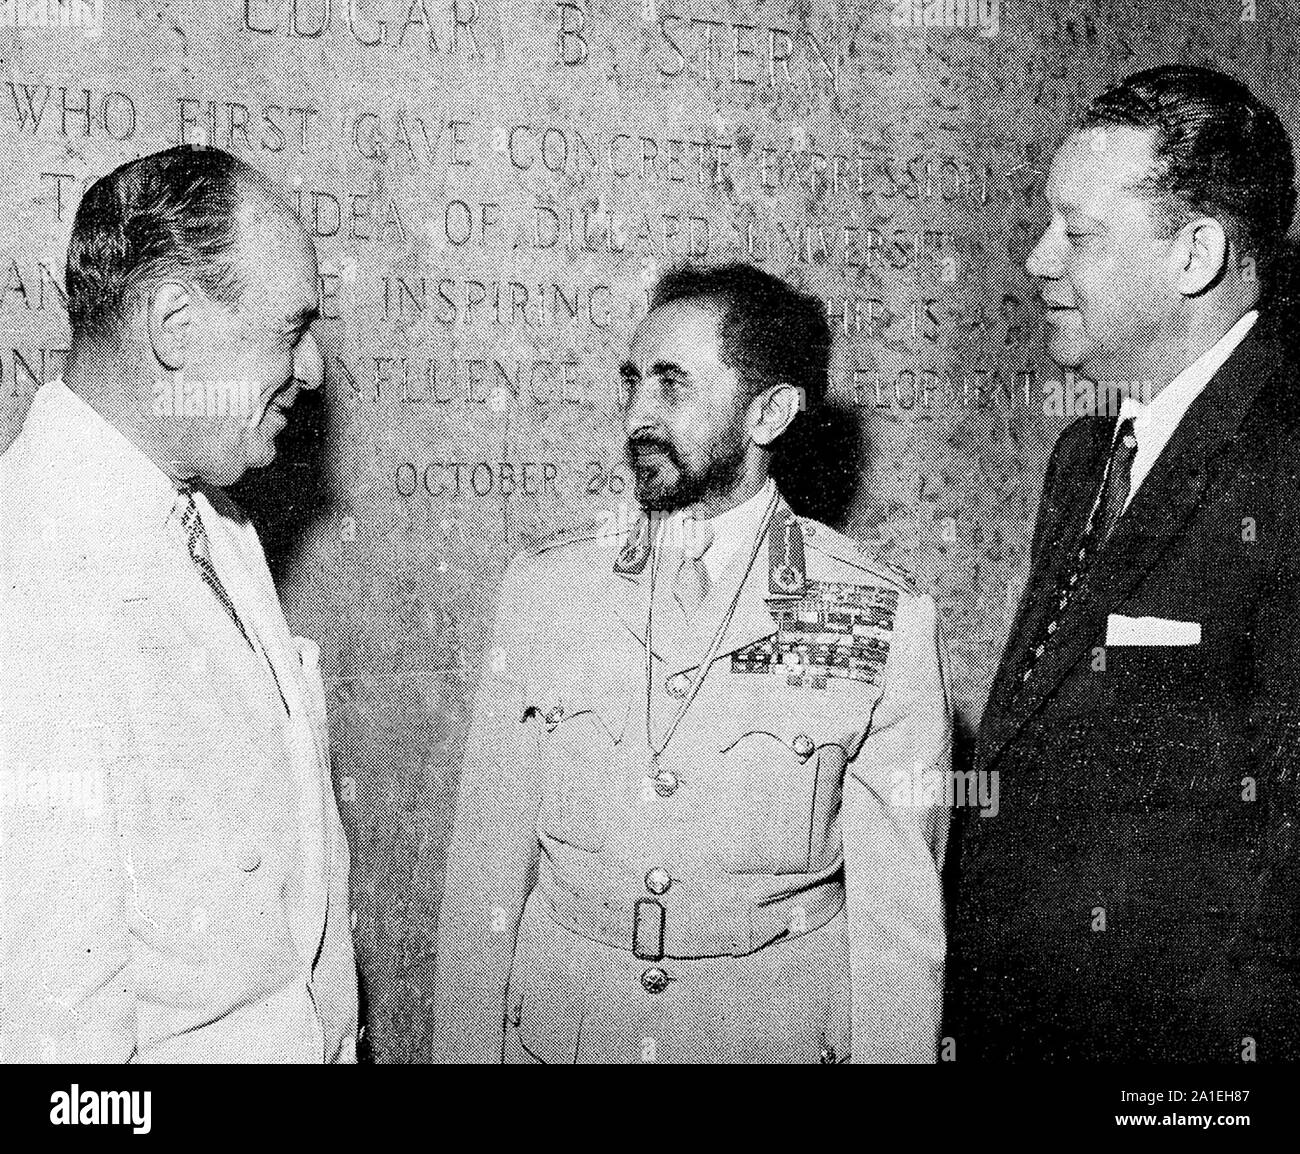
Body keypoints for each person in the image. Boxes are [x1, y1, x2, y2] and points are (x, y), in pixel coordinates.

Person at [433, 262, 951, 1063]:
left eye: (672, 386)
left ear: (769, 413)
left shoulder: (880, 619)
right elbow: (484, 882)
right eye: (632, 381)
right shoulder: (545, 592)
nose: (637, 414)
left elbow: (896, 935)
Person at [947, 65, 1300, 1061]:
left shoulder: (1284, 460)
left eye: (1078, 231)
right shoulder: (1086, 455)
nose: (1035, 257)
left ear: (1195, 252)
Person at [0, 146, 357, 1062]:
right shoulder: (30, 582)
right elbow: (59, 1047)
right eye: (291, 329)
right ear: (175, 326)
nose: (312, 369)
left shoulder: (215, 518)